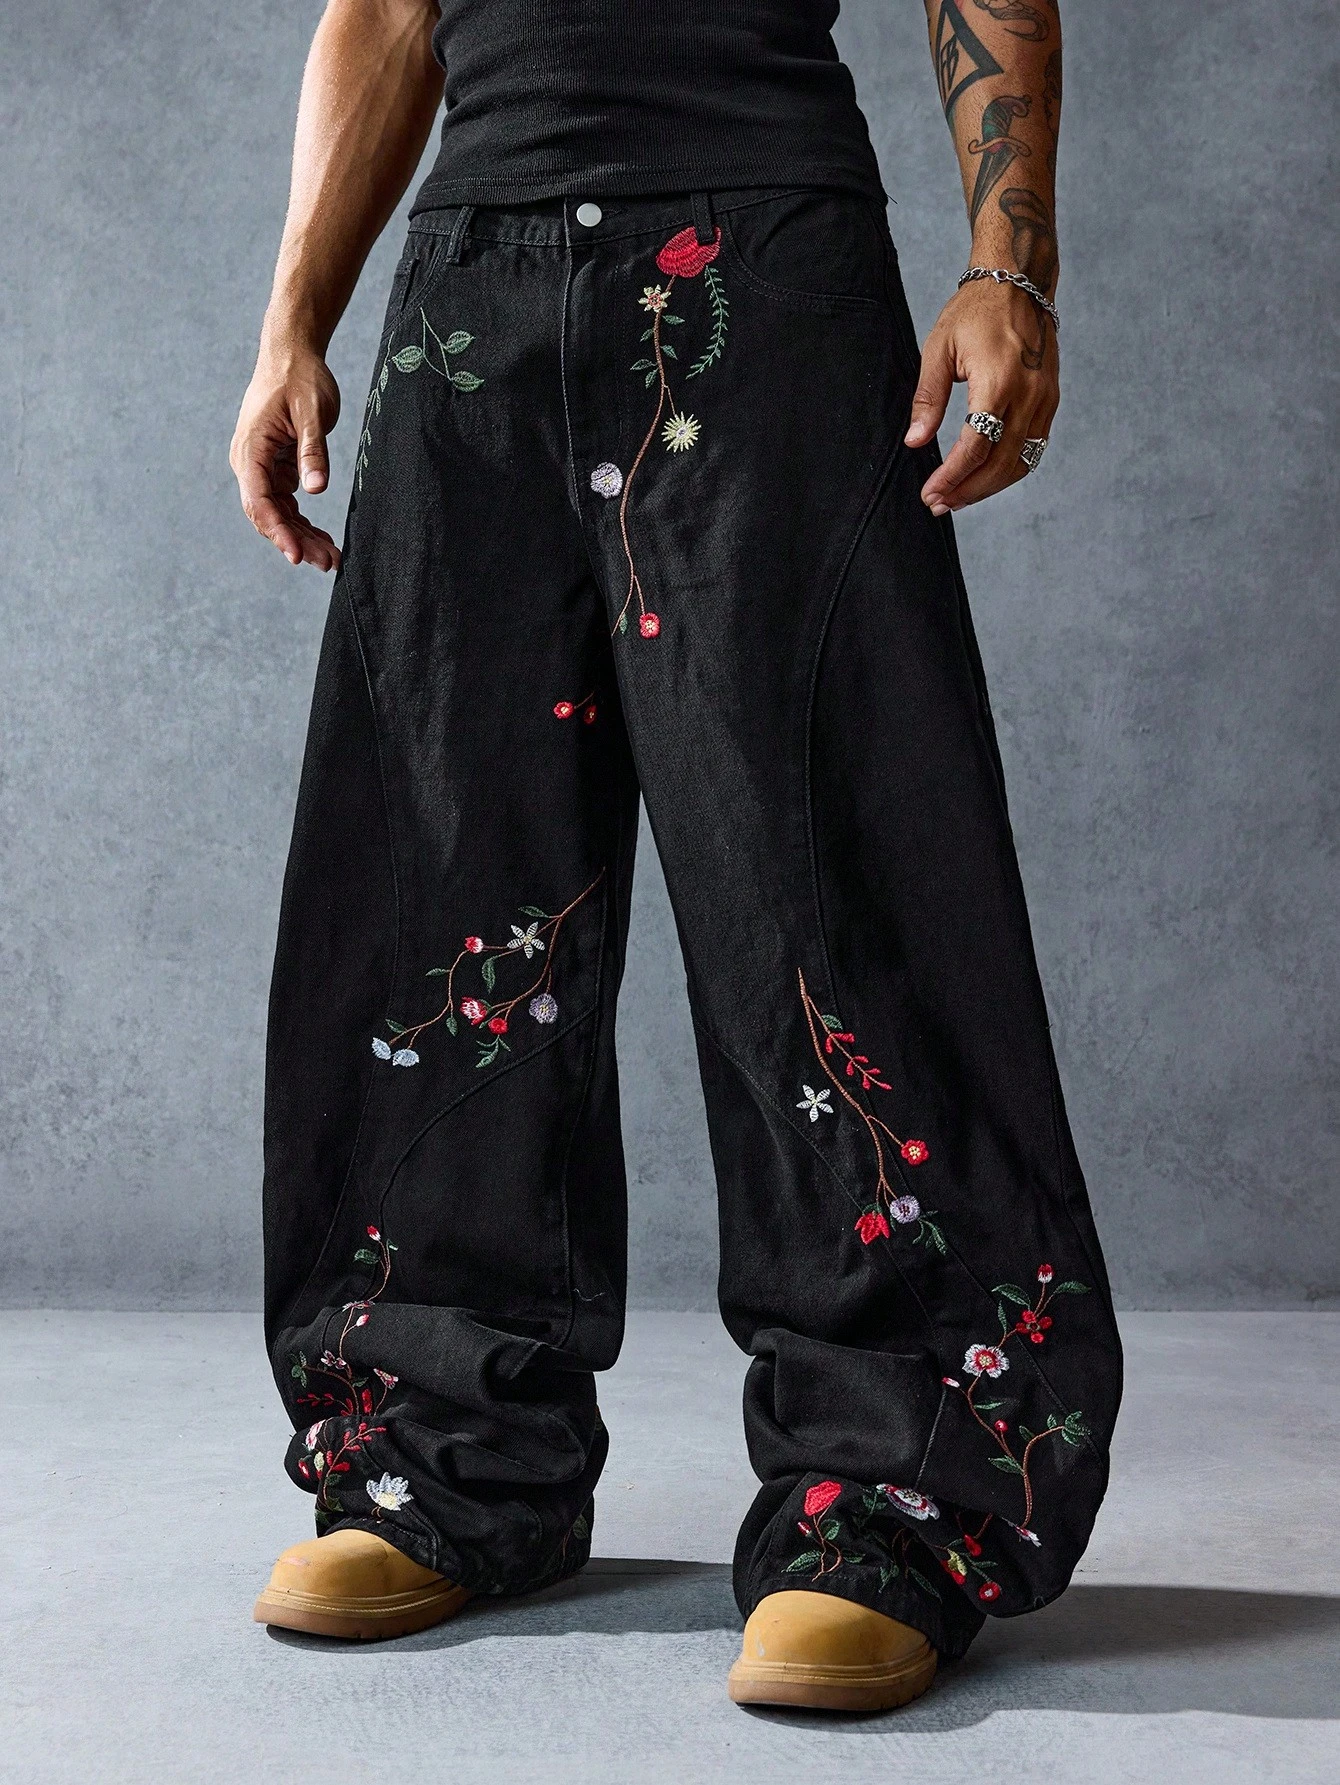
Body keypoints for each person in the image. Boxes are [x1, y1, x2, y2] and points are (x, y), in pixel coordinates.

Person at [232, 0, 1120, 1713]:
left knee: (823, 881)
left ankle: (895, 1490)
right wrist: (294, 320)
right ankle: (437, 1453)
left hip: (762, 258)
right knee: (442, 875)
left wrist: (1008, 267)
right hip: (473, 290)